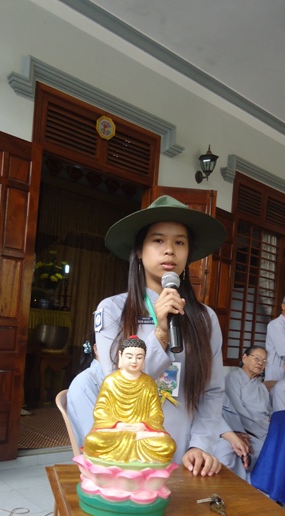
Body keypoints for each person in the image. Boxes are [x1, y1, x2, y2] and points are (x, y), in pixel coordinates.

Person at [94, 195, 227, 476]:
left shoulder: (205, 318)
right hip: (129, 447)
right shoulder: (112, 310)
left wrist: (201, 445)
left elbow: (212, 390)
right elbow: (117, 384)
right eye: (158, 240)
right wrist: (161, 333)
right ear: (139, 251)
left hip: (185, 450)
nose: (169, 250)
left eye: (179, 243)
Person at [83, 336, 176, 464]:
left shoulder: (149, 383)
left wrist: (143, 425)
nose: (134, 361)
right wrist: (118, 425)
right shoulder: (111, 381)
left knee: (168, 445)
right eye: (129, 356)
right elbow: (100, 411)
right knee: (93, 441)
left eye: (139, 357)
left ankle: (135, 440)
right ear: (121, 356)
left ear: (144, 359)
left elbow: (157, 414)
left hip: (142, 431)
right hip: (117, 430)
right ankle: (134, 441)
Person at [214, 346, 271, 481]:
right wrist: (243, 432)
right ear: (244, 358)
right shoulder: (232, 379)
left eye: (264, 361)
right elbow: (235, 410)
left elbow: (268, 411)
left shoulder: (261, 386)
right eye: (256, 358)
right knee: (265, 451)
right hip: (247, 430)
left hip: (262, 428)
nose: (260, 363)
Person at [67, 331, 105, 448]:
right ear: (97, 349)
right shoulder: (84, 382)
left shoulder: (117, 378)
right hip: (99, 452)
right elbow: (96, 436)